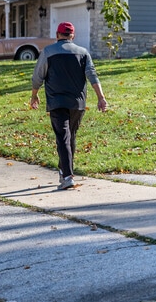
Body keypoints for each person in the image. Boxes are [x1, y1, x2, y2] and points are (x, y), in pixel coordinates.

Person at [30, 22, 107, 190]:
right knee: (69, 136)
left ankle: (67, 176)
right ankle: (64, 171)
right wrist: (101, 98)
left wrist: (34, 95)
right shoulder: (83, 53)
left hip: (57, 102)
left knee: (63, 137)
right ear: (72, 36)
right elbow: (92, 76)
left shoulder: (48, 52)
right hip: (77, 103)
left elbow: (38, 76)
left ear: (57, 35)